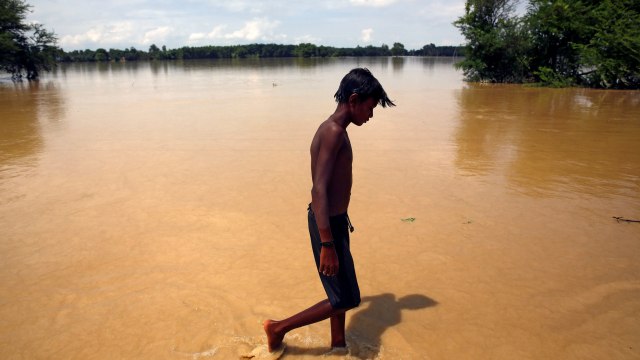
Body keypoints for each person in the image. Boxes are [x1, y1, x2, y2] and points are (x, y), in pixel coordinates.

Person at [263, 68, 395, 351]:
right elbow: (318, 189)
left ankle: (338, 344)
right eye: (370, 108)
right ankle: (278, 328)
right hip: (326, 225)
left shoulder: (334, 129)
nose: (370, 116)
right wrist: (327, 243)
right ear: (354, 99)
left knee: (340, 289)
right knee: (346, 298)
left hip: (335, 221)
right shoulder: (334, 132)